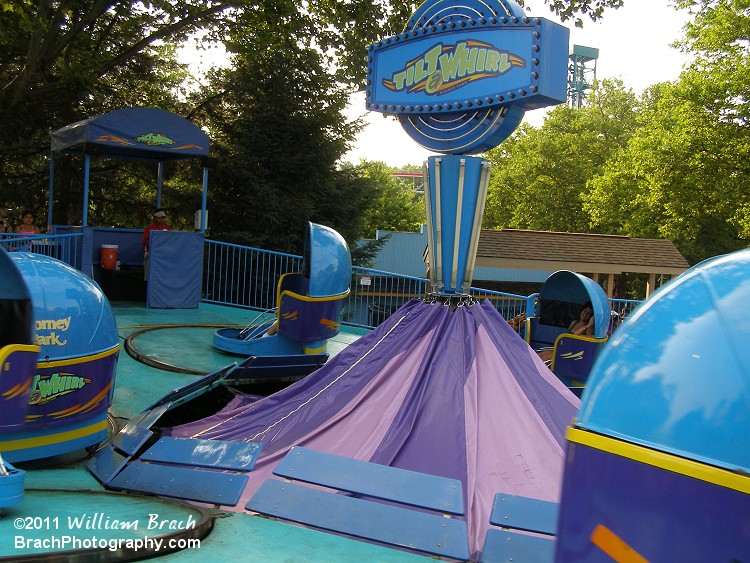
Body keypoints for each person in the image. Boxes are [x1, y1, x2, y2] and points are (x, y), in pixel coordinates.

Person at [142, 208, 171, 280]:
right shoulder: (149, 228)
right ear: (155, 218)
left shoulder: (168, 229)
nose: (161, 219)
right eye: (159, 217)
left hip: (164, 255)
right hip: (151, 254)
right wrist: (154, 247)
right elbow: (144, 241)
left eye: (163, 217)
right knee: (149, 275)